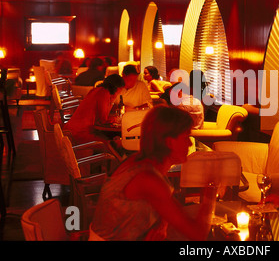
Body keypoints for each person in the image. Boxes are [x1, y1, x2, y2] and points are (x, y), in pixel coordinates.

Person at [89, 105, 217, 241]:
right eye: (186, 137)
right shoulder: (148, 179)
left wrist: (162, 225)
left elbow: (162, 203)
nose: (190, 144)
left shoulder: (144, 162)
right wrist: (210, 191)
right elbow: (197, 234)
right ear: (169, 142)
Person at [64, 74, 125, 145]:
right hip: (79, 133)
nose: (120, 92)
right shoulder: (104, 93)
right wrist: (115, 119)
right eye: (121, 89)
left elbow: (101, 117)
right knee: (112, 144)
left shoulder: (95, 90)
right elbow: (103, 120)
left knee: (109, 139)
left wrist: (112, 99)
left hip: (71, 130)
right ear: (117, 87)